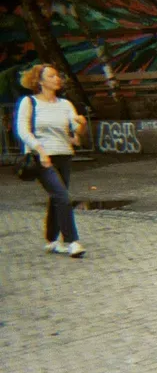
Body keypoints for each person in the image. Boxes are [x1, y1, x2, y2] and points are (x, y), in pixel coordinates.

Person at [16, 64, 87, 258]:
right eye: (52, 76)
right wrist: (40, 150)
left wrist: (81, 125)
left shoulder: (65, 104)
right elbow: (23, 130)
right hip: (41, 157)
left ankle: (51, 239)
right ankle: (72, 241)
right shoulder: (29, 102)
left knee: (57, 196)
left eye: (58, 76)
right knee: (62, 196)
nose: (57, 79)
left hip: (64, 154)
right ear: (40, 81)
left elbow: (75, 131)